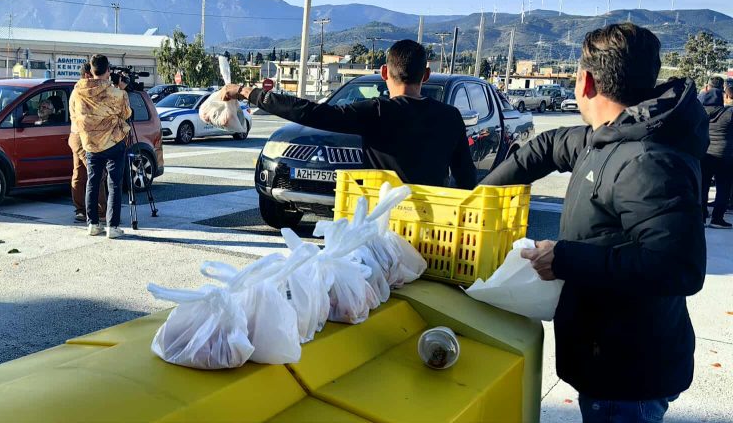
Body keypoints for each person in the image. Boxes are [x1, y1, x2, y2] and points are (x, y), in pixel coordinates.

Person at [481, 23, 707, 422]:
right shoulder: (606, 137)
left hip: (628, 375)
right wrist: (480, 196)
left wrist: (565, 259)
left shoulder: (647, 161)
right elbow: (546, 146)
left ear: (585, 81)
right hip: (604, 356)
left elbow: (678, 267)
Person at [223, 39, 476, 189]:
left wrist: (246, 92)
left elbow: (310, 112)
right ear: (426, 75)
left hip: (380, 230)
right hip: (435, 230)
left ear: (384, 73)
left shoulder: (377, 112)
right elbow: (466, 180)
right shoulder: (451, 117)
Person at [69, 54, 132, 238]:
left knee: (92, 182)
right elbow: (126, 113)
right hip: (112, 142)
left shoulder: (78, 91)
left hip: (90, 143)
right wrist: (121, 89)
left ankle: (93, 224)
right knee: (114, 183)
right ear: (108, 70)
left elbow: (74, 115)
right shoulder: (115, 93)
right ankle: (112, 226)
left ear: (91, 69)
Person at [68, 63, 106, 223]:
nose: (95, 78)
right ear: (86, 76)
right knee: (97, 173)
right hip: (84, 137)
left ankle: (81, 210)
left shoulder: (77, 90)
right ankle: (100, 212)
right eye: (93, 75)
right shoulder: (83, 90)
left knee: (80, 173)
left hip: (76, 136)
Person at [700, 77, 733, 228]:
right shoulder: (728, 114)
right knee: (723, 187)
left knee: (703, 185)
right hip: (724, 155)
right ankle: (717, 219)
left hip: (705, 154)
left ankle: (701, 216)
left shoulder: (699, 114)